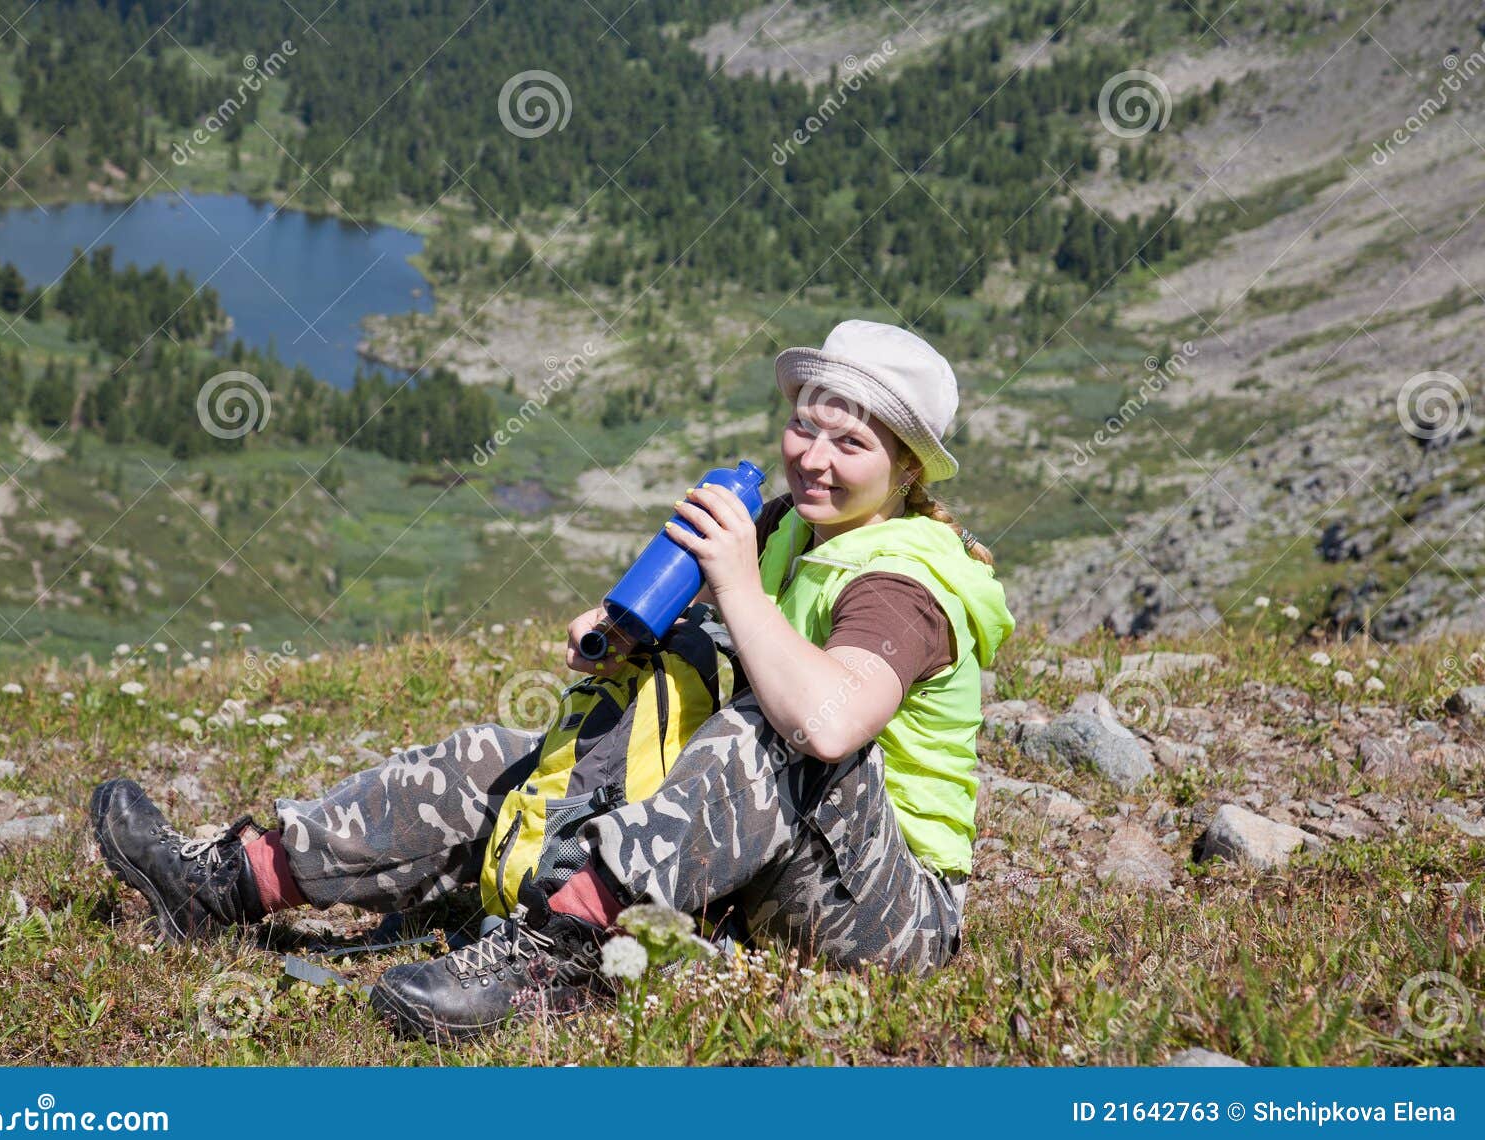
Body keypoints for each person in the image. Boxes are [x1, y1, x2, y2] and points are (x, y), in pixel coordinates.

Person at [89, 318, 1014, 1043]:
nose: (812, 456)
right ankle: (237, 881)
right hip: (765, 859)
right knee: (508, 761)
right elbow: (710, 642)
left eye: (849, 444)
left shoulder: (905, 584)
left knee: (767, 733)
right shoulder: (788, 525)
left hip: (887, 915)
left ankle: (558, 955)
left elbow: (826, 720)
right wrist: (623, 635)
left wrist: (732, 581)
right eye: (804, 424)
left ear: (904, 469)